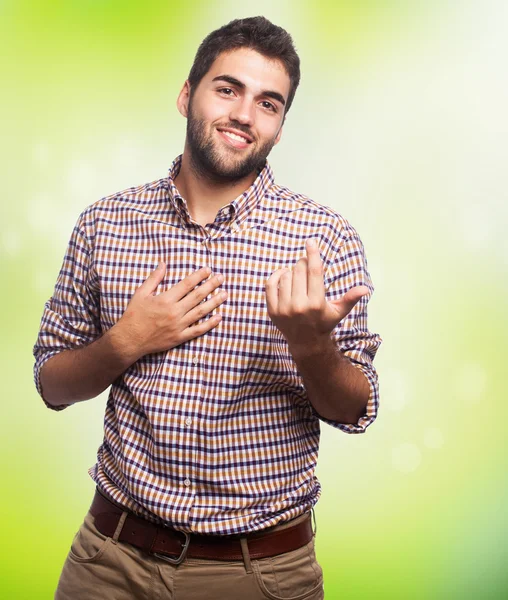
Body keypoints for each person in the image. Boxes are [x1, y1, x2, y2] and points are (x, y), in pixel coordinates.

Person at [33, 15, 381, 600]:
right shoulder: (105, 223)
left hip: (259, 573)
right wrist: (125, 341)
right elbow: (51, 384)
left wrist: (312, 348)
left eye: (268, 103)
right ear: (186, 94)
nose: (245, 114)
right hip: (108, 560)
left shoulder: (324, 241)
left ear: (280, 126)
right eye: (228, 89)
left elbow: (356, 409)